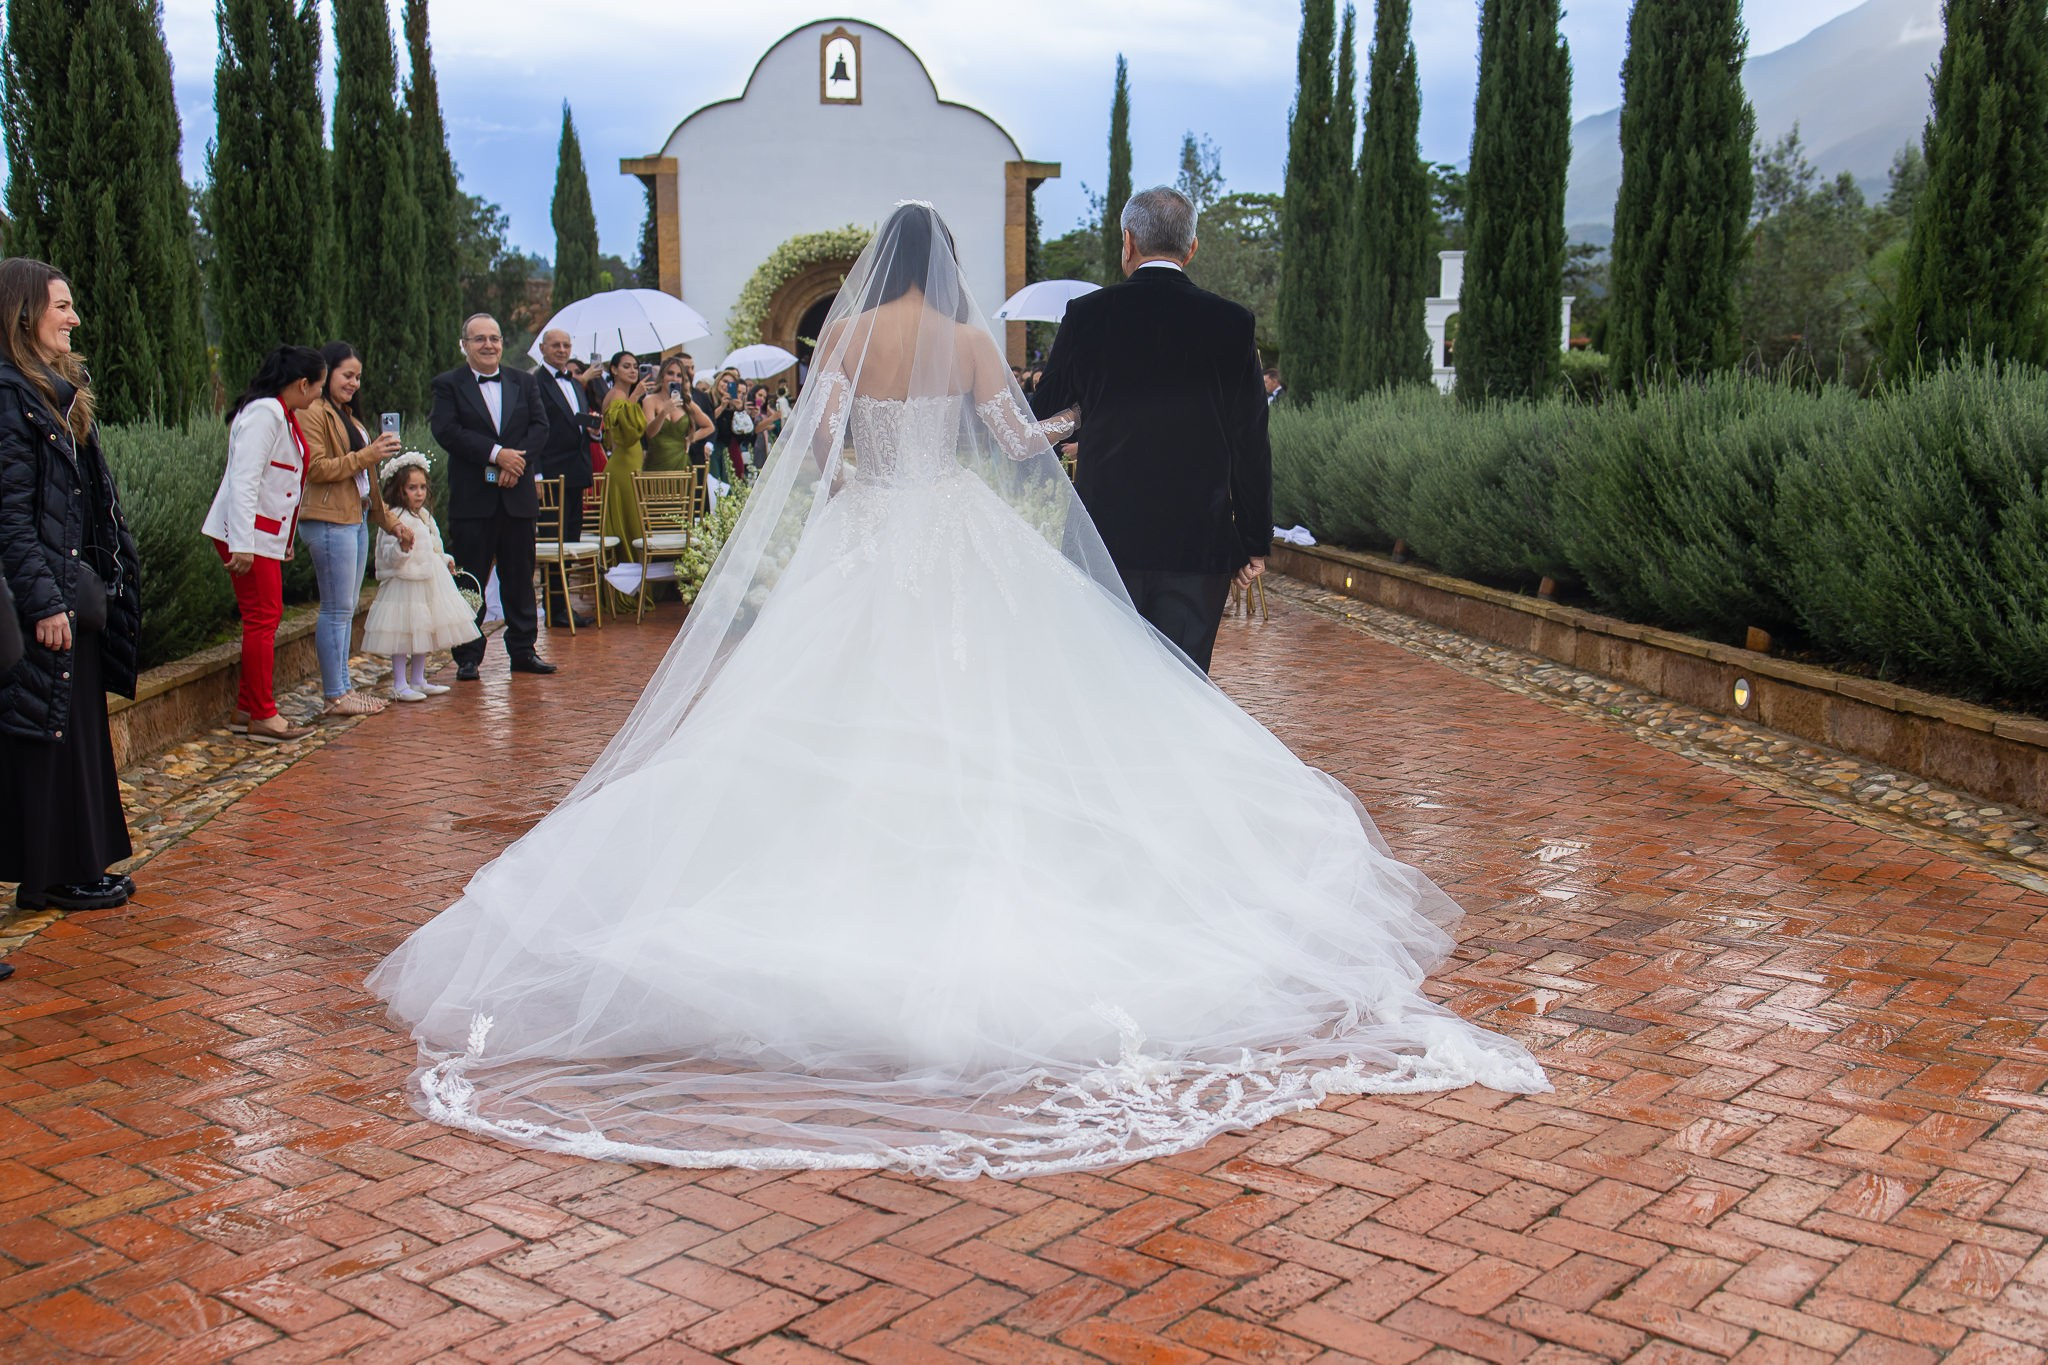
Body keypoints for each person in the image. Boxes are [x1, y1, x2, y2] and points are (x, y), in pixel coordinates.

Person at [369, 202, 1545, 1181]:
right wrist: (1077, 431)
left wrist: (851, 489)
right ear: (951, 271)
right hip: (958, 536)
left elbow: (814, 453)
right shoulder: (973, 343)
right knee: (993, 710)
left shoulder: (844, 337)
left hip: (865, 541)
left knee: (822, 717)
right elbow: (1014, 443)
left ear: (883, 262)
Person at [1031, 186, 1271, 674]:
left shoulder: (1089, 316)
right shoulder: (1232, 324)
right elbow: (1250, 440)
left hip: (1106, 536)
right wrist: (1251, 540)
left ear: (1128, 242)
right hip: (1197, 543)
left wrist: (1084, 411)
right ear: (1192, 248)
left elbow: (1044, 408)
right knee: (1183, 685)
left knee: (1105, 681)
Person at [0, 256, 143, 914]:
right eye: (62, 306)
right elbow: (12, 518)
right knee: (47, 739)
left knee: (75, 730)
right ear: (25, 314)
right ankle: (52, 876)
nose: (74, 318)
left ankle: (79, 863)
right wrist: (46, 602)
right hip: (44, 599)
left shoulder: (51, 392)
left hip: (70, 588)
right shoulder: (11, 399)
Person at [203, 346, 326, 744]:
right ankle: (263, 714)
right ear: (303, 383)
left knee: (264, 618)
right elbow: (245, 479)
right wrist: (243, 543)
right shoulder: (265, 414)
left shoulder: (280, 414)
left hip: (262, 534)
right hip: (249, 535)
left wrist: (284, 538)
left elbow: (282, 485)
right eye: (318, 387)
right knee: (263, 619)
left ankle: (246, 708)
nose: (318, 396)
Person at [429, 313, 556, 680]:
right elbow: (447, 430)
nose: (488, 345)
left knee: (519, 577)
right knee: (470, 579)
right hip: (473, 501)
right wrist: (495, 454)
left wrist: (514, 462)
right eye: (479, 339)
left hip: (517, 498)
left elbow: (540, 427)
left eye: (494, 338)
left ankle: (524, 651)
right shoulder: (448, 385)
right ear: (464, 345)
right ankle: (467, 656)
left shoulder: (523, 382)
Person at [299, 341, 407, 719]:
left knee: (344, 608)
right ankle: (335, 693)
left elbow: (367, 482)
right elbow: (316, 469)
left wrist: (390, 522)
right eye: (348, 375)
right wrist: (368, 454)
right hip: (328, 519)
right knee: (336, 608)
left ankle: (342, 687)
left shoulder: (346, 414)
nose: (355, 383)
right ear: (327, 372)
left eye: (358, 377)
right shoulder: (313, 411)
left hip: (355, 517)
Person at [363, 452, 480, 702]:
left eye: (423, 487)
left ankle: (418, 679)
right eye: (412, 488)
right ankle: (399, 683)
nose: (419, 493)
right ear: (399, 490)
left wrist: (444, 559)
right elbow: (387, 553)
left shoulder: (424, 516)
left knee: (423, 630)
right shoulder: (395, 519)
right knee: (403, 634)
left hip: (429, 582)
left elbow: (434, 546)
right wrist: (402, 548)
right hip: (405, 585)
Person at [532, 328, 599, 629]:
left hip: (576, 472)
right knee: (553, 542)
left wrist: (594, 430)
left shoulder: (574, 383)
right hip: (551, 474)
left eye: (566, 345)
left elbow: (576, 426)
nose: (561, 350)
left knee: (570, 541)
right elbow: (531, 430)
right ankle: (554, 607)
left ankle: (563, 606)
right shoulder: (534, 382)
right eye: (555, 345)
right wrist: (536, 474)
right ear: (543, 349)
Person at [596, 352, 666, 614]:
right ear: (613, 369)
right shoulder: (616, 396)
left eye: (635, 366)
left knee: (634, 525)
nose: (632, 370)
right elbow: (624, 436)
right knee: (629, 526)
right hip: (623, 469)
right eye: (626, 366)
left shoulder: (624, 397)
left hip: (633, 464)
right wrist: (635, 397)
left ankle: (633, 587)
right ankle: (625, 591)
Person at [643, 355, 713, 473]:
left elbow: (709, 426)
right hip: (656, 464)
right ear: (662, 376)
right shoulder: (650, 400)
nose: (674, 378)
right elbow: (649, 433)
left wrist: (690, 439)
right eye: (670, 373)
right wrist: (664, 412)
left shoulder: (686, 402)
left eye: (679, 375)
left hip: (682, 464)